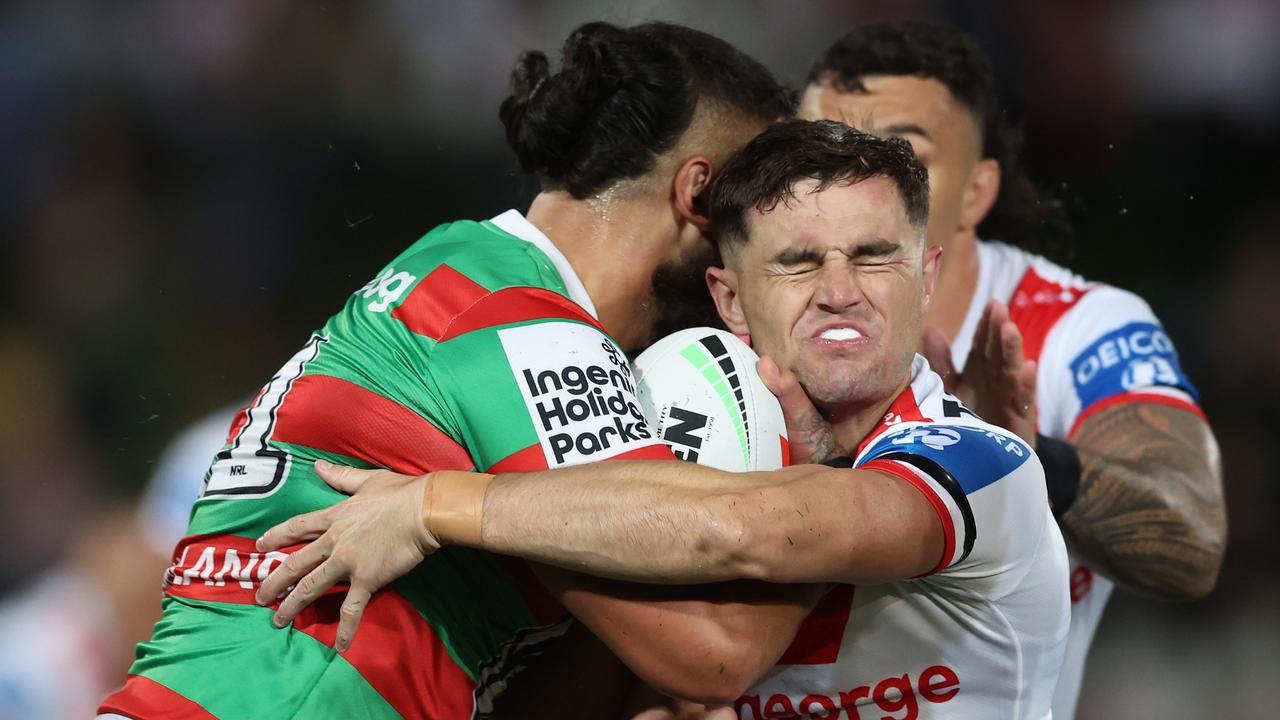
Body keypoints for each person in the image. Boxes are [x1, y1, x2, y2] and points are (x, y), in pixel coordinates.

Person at [98, 22, 803, 720]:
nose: (773, 254)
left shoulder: (465, 274)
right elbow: (714, 650)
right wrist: (839, 465)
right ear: (699, 194)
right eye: (757, 211)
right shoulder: (518, 319)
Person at [259, 120, 1071, 719]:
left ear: (927, 276)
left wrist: (432, 505)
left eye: (873, 256)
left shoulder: (978, 461)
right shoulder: (694, 454)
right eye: (796, 262)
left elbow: (740, 529)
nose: (839, 289)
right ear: (729, 300)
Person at [796, 21, 1226, 718]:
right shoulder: (736, 316)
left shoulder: (1075, 328)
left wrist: (1013, 463)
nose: (854, 186)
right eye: (822, 154)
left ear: (976, 192)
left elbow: (1192, 544)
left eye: (902, 155)